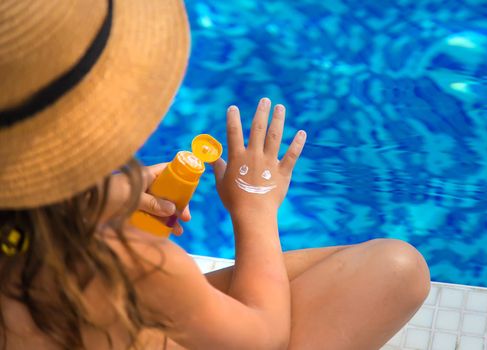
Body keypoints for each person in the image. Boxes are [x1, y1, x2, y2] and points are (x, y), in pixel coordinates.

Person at [0, 0, 430, 349]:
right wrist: (254, 205)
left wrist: (97, 200)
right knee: (398, 271)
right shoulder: (133, 268)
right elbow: (265, 338)